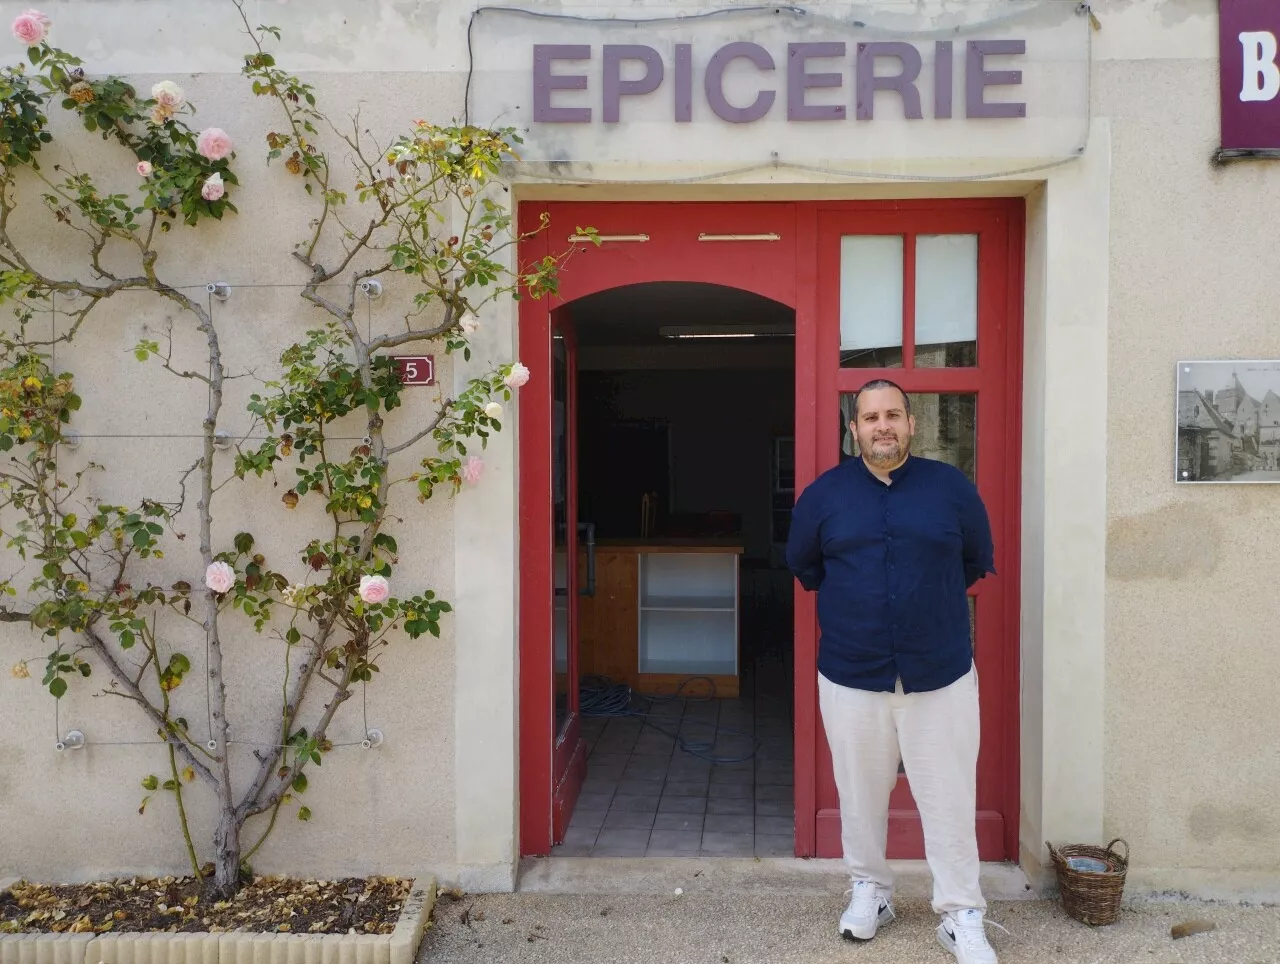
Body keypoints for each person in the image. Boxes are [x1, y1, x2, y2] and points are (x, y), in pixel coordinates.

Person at [786, 379, 1001, 964]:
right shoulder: (822, 497)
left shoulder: (951, 489)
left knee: (950, 798)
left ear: (912, 424)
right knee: (858, 796)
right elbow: (805, 566)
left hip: (942, 675)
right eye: (870, 417)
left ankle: (961, 913)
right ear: (852, 429)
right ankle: (871, 891)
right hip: (852, 676)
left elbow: (975, 560)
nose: (882, 426)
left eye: (893, 415)